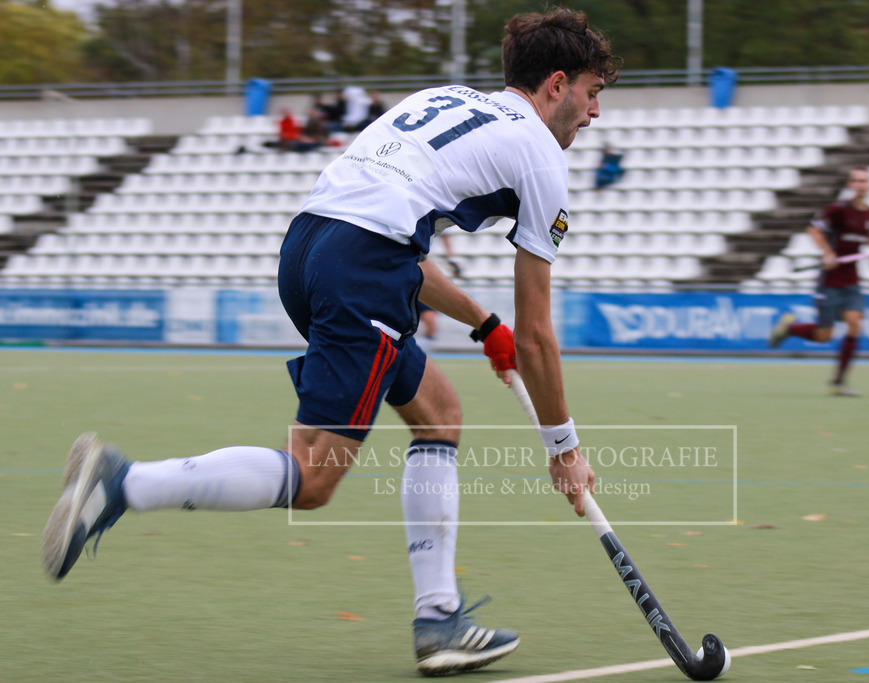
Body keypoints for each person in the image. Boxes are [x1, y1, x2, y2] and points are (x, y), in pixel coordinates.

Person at [42, 8, 619, 678]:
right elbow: (541, 334)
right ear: (557, 84)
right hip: (360, 270)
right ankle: (123, 481)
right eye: (592, 91)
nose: (594, 112)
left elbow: (385, 235)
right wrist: (564, 450)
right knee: (314, 477)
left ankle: (439, 619)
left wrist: (483, 323)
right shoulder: (540, 152)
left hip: (310, 248)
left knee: (440, 412)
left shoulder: (442, 100)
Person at [768, 166, 869, 396]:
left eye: (865, 181)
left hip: (851, 281)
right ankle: (789, 328)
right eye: (857, 180)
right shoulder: (837, 209)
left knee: (854, 323)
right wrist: (827, 253)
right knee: (824, 336)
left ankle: (838, 382)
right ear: (850, 185)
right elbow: (813, 230)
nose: (861, 184)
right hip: (830, 282)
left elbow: (865, 234)